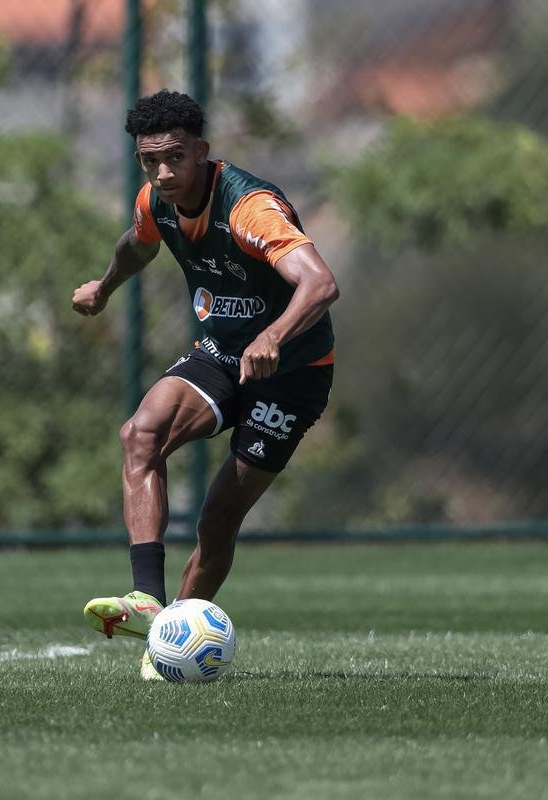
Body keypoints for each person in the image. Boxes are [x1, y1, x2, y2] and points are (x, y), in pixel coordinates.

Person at [72, 90, 339, 679]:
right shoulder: (157, 201)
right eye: (150, 161)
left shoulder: (250, 208)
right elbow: (135, 245)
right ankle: (146, 599)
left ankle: (168, 643)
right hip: (222, 352)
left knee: (217, 519)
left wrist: (275, 335)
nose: (164, 173)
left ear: (201, 150)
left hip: (291, 374)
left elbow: (319, 284)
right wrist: (105, 286)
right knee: (141, 434)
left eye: (175, 158)